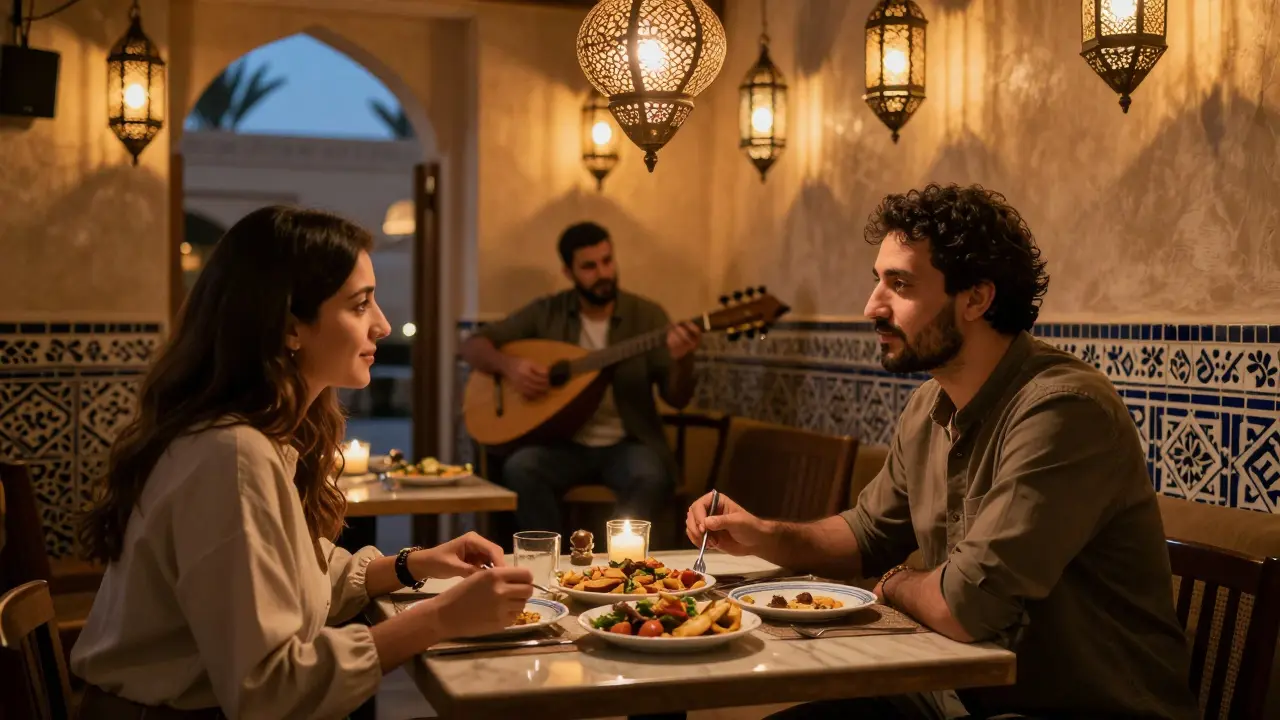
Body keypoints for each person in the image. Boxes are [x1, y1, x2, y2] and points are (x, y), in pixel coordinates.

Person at [686, 184, 1199, 720]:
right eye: (877, 281)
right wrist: (762, 535)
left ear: (976, 298)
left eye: (900, 284)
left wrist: (892, 583)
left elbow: (964, 608)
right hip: (958, 696)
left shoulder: (1064, 411)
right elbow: (866, 534)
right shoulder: (930, 403)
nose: (871, 307)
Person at [71, 206, 534, 720]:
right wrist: (438, 618)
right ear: (292, 327)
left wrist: (413, 564)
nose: (382, 324)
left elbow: (292, 581)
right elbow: (268, 688)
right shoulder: (231, 456)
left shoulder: (251, 440)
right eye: (361, 305)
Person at [461, 221, 702, 533]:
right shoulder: (547, 312)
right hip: (562, 445)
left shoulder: (647, 316)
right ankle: (550, 561)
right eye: (589, 266)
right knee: (522, 468)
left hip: (627, 445)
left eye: (607, 261)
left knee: (651, 475)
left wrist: (683, 359)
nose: (603, 273)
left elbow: (677, 398)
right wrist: (509, 366)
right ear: (568, 272)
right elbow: (472, 346)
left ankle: (621, 565)